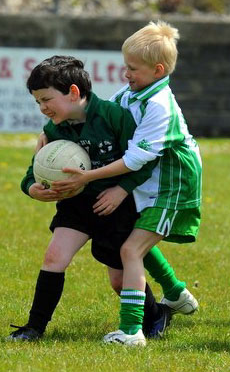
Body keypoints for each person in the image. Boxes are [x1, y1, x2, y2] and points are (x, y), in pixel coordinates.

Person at [52, 21, 202, 347]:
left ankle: (132, 332)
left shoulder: (160, 105)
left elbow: (135, 159)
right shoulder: (131, 92)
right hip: (146, 182)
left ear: (158, 69)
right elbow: (101, 115)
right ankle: (174, 293)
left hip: (172, 188)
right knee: (136, 241)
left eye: (132, 68)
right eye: (125, 66)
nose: (126, 74)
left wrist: (89, 178)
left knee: (131, 248)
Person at [7, 55, 171, 345]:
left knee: (119, 281)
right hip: (76, 205)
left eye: (46, 99)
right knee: (53, 257)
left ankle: (157, 313)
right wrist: (33, 188)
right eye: (37, 102)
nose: (43, 108)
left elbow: (142, 161)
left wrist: (121, 190)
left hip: (114, 205)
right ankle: (34, 327)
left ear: (72, 92)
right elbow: (32, 172)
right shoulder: (54, 131)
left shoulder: (113, 116)